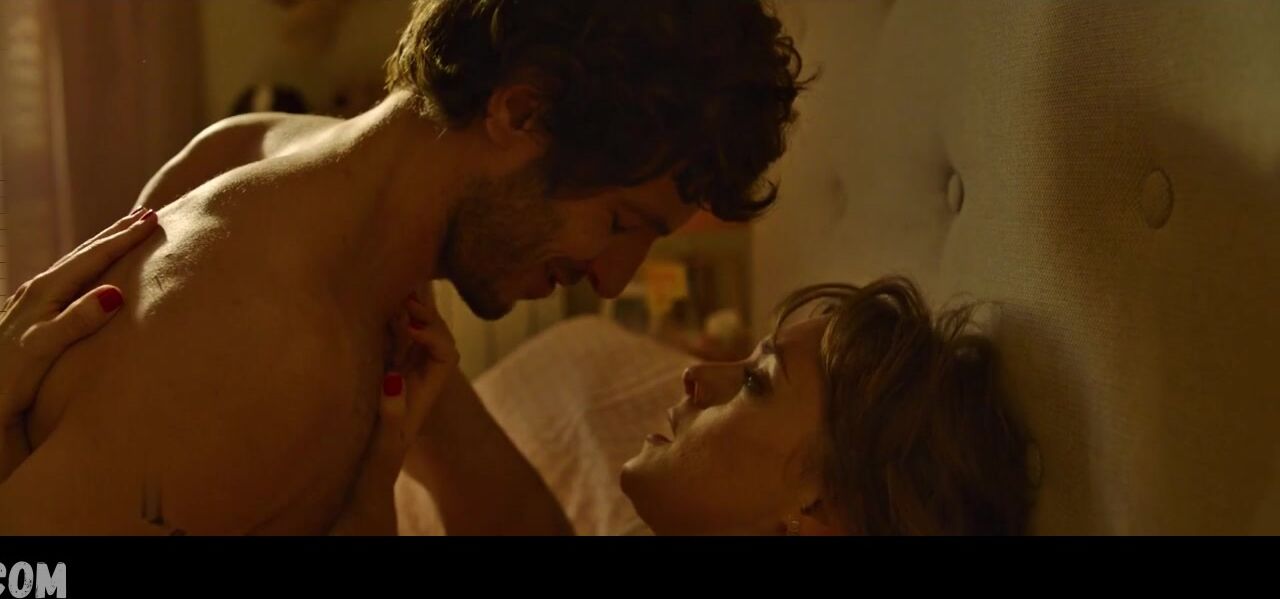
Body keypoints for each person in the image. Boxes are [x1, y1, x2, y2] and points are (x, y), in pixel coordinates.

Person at [0, 0, 807, 534]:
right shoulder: (271, 353)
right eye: (621, 223)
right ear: (520, 111)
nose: (614, 279)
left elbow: (516, 517)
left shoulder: (261, 160)